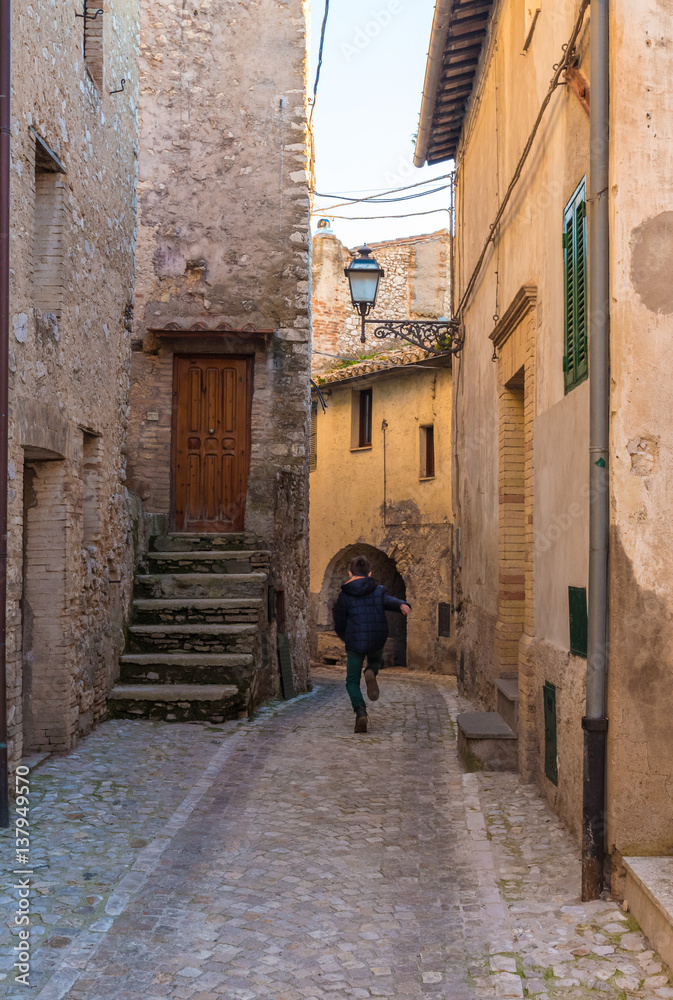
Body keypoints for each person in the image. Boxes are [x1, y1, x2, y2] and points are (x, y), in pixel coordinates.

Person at [333, 555, 411, 733]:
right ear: (369, 573)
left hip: (355, 642)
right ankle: (371, 671)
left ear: (350, 573)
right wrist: (402, 605)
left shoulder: (344, 595)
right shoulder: (378, 590)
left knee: (352, 681)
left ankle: (360, 711)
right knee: (374, 661)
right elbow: (389, 601)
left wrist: (346, 637)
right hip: (377, 638)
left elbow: (339, 622)